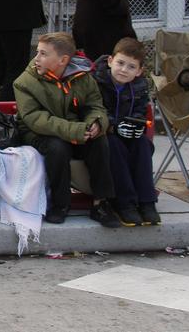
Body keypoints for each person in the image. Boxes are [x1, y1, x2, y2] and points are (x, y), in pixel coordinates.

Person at [13, 32, 119, 228]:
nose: (36, 58)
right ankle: (60, 204)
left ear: (63, 60)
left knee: (100, 140)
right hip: (38, 133)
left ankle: (101, 203)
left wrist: (95, 123)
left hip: (75, 130)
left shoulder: (83, 77)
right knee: (57, 148)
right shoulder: (25, 82)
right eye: (37, 52)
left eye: (43, 54)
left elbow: (95, 106)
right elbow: (36, 119)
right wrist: (75, 130)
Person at [92, 37, 160, 227]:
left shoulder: (139, 86)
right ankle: (125, 203)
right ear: (110, 61)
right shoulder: (96, 81)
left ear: (139, 71)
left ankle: (147, 202)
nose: (123, 70)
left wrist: (136, 125)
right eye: (120, 63)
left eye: (131, 67)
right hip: (105, 133)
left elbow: (140, 110)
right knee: (113, 145)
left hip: (127, 132)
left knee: (143, 144)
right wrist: (115, 125)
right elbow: (94, 109)